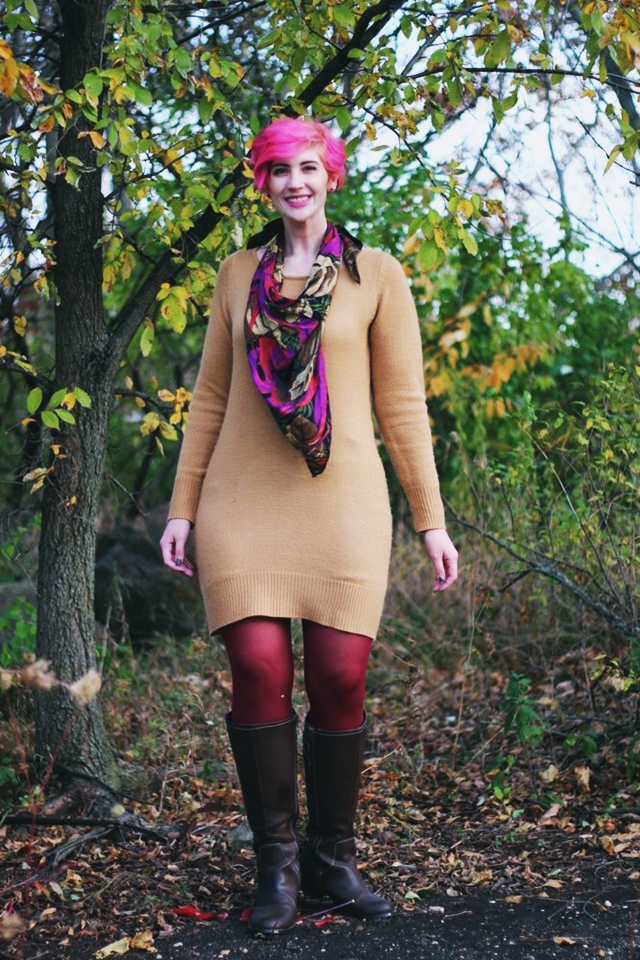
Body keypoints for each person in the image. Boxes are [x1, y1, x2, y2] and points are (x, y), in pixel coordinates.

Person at [160, 116, 458, 935]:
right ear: (263, 184)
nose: (295, 181)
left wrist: (431, 521)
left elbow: (402, 406)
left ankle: (332, 860)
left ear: (331, 176)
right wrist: (181, 508)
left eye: (308, 167)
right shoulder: (236, 275)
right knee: (259, 671)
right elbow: (212, 400)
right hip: (240, 502)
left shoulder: (377, 275)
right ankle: (279, 872)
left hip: (346, 500)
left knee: (339, 680)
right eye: (278, 170)